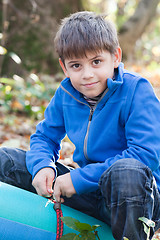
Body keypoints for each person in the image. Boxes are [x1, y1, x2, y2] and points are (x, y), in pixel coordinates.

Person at [0, 11, 160, 240]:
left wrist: (78, 179)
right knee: (7, 161)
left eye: (96, 62)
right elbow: (44, 137)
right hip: (90, 193)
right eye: (76, 65)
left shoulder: (136, 91)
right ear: (64, 67)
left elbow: (145, 155)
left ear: (115, 57)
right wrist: (43, 166)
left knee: (126, 172)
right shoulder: (67, 93)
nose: (87, 74)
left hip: (136, 198)